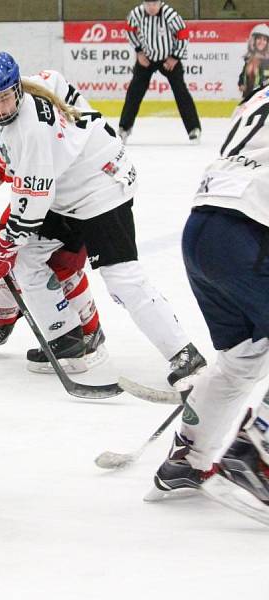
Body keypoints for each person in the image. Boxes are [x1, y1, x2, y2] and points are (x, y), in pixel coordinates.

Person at [0, 51, 206, 388]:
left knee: (121, 279)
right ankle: (68, 339)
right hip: (70, 188)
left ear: (16, 91)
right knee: (25, 257)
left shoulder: (31, 130)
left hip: (100, 189)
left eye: (5, 98)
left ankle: (183, 353)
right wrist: (11, 246)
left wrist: (5, 244)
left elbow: (32, 205)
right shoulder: (40, 81)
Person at [146, 86, 269, 507]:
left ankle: (189, 458)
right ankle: (258, 457)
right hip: (247, 233)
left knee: (243, 357)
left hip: (201, 230)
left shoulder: (260, 94)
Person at [0, 73, 107, 373]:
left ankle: (89, 329)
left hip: (70, 198)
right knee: (7, 257)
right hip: (42, 201)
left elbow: (31, 188)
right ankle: (1, 322)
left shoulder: (15, 128)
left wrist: (7, 234)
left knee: (59, 264)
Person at [119, 0, 201, 144]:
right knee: (134, 92)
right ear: (144, 4)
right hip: (147, 58)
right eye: (148, 4)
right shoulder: (136, 13)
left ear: (160, 3)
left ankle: (194, 128)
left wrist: (175, 57)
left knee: (181, 91)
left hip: (168, 59)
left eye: (155, 4)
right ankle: (124, 128)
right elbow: (129, 30)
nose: (151, 7)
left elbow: (183, 34)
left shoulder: (170, 15)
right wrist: (139, 51)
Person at [238, 24, 269, 101]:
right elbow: (243, 76)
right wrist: (241, 84)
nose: (262, 42)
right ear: (253, 40)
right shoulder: (249, 60)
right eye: (259, 38)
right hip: (247, 99)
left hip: (262, 101)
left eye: (265, 39)